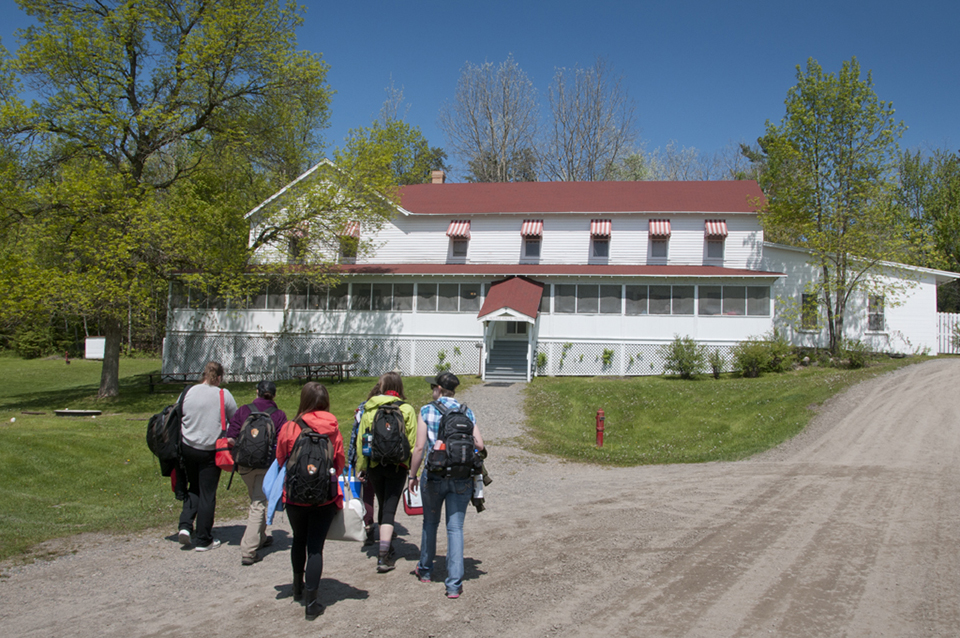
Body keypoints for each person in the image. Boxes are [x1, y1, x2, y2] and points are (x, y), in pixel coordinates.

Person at [408, 372, 485, 599]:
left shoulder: (426, 410)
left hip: (434, 476)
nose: (432, 390)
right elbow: (480, 444)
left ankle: (425, 570)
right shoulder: (466, 412)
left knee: (430, 523)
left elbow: (420, 448)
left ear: (439, 389)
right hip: (461, 477)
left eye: (433, 386)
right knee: (455, 529)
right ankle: (453, 584)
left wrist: (412, 476)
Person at [275, 382, 345, 621]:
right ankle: (312, 602)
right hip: (324, 497)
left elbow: (281, 458)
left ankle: (297, 586)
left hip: (294, 495)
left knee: (298, 539)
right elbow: (339, 462)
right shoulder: (333, 427)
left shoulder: (290, 426)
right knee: (315, 547)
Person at [355, 372, 418, 573]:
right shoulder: (406, 409)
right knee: (390, 509)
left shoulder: (369, 408)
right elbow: (413, 442)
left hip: (375, 464)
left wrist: (362, 466)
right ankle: (383, 555)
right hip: (397, 466)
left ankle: (385, 544)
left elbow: (362, 441)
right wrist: (410, 468)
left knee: (382, 504)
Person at [225, 379, 287, 566]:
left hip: (244, 465)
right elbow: (283, 441)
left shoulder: (244, 410)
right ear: (274, 395)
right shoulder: (278, 415)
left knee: (256, 499)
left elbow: (230, 438)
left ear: (257, 392)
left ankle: (260, 537)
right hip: (266, 465)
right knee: (259, 503)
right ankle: (249, 550)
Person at [178, 361, 237, 551]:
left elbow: (179, 413)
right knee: (207, 493)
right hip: (210, 449)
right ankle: (204, 539)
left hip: (187, 445)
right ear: (219, 377)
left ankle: (186, 526)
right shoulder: (222, 394)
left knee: (193, 486)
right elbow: (234, 418)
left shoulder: (188, 392)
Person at [347, 399, 377, 546]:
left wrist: (353, 461)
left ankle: (368, 525)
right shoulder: (397, 406)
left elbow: (357, 436)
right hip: (389, 457)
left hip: (368, 455)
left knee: (368, 494)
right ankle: (386, 526)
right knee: (386, 495)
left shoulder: (364, 407)